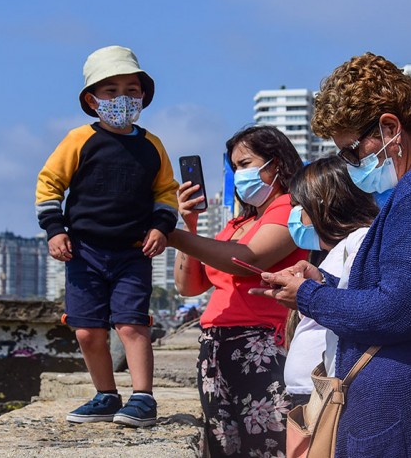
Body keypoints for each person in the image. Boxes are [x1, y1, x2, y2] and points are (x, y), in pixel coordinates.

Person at [251, 53, 411, 457]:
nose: (352, 165)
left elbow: (399, 310)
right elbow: (410, 290)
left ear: (390, 127)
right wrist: (325, 285)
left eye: (352, 151)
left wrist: (308, 297)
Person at [35, 46, 179, 426]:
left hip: (133, 252)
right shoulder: (79, 140)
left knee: (132, 324)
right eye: (111, 91)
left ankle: (143, 397)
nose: (122, 99)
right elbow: (50, 184)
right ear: (92, 99)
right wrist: (55, 230)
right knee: (86, 331)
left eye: (132, 90)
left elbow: (166, 192)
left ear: (143, 96)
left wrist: (160, 227)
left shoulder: (152, 146)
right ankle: (105, 395)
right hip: (84, 252)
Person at [169, 125, 306, 457]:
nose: (239, 174)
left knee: (268, 444)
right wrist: (187, 223)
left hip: (260, 345)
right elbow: (188, 286)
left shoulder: (290, 209)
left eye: (246, 163)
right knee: (223, 446)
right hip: (216, 347)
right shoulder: (235, 225)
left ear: (275, 163)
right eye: (235, 167)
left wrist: (169, 234)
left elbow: (249, 259)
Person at [282, 156, 378, 407]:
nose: (293, 216)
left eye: (297, 206)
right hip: (314, 392)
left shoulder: (359, 242)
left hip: (328, 394)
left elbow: (360, 306)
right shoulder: (332, 254)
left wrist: (308, 293)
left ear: (322, 205)